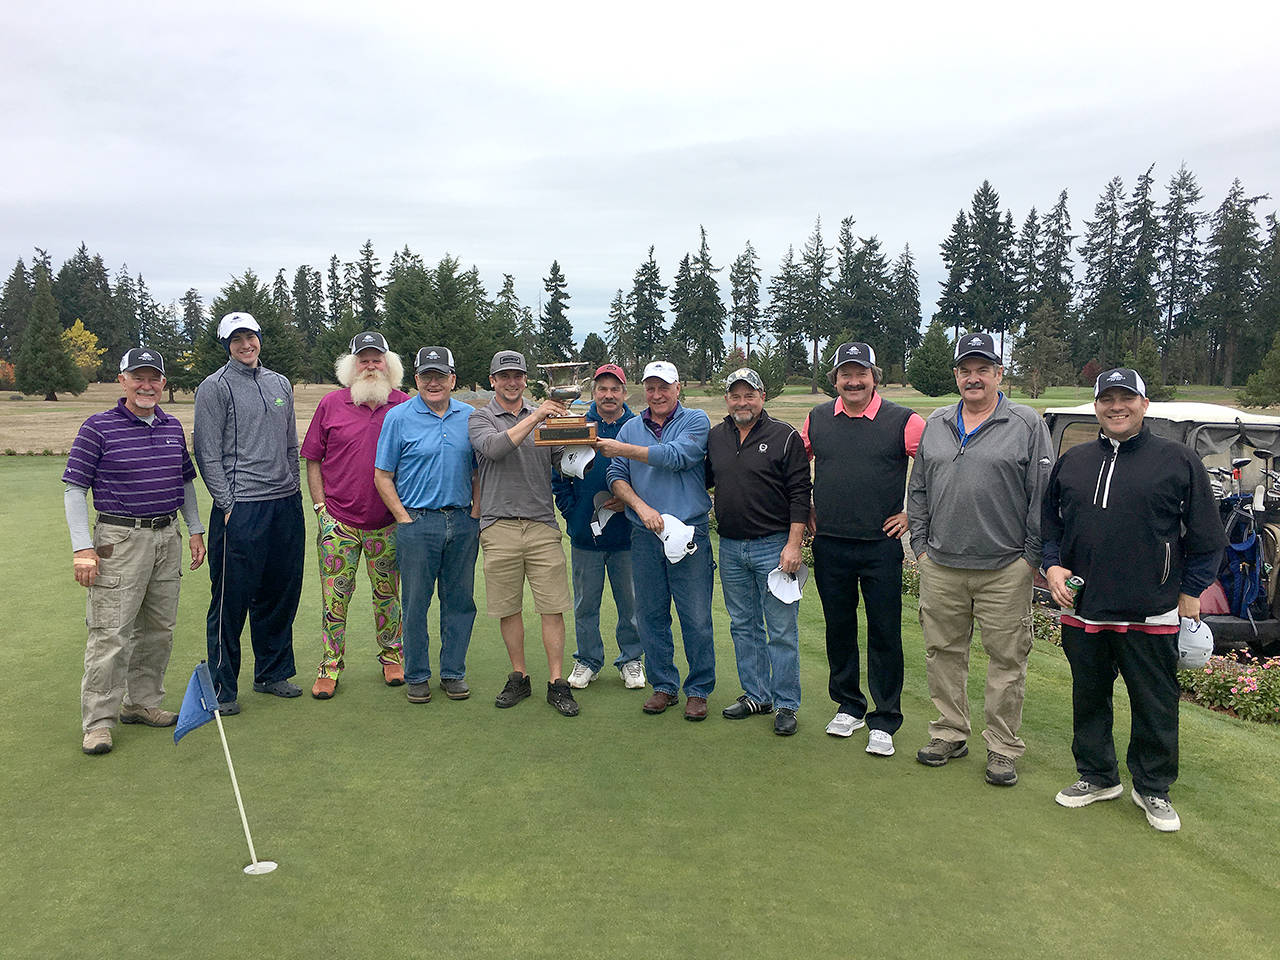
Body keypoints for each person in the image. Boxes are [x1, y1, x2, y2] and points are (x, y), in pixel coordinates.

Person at [1043, 368, 1225, 832]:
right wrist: (1053, 566)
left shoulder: (1178, 460)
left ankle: (1153, 788)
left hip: (1153, 607)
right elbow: (1051, 528)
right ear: (1097, 406)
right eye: (1107, 399)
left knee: (1155, 703)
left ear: (1144, 405)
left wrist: (1191, 590)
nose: (1116, 407)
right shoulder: (1075, 460)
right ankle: (1098, 776)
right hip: (1084, 607)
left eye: (1126, 398)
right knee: (1089, 698)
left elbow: (1207, 537)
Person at [907, 332, 1054, 786]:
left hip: (1005, 568)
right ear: (956, 376)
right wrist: (921, 546)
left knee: (1007, 660)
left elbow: (1042, 498)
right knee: (943, 652)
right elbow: (919, 490)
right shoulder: (936, 422)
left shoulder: (1026, 423)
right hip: (942, 564)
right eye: (966, 370)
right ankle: (950, 732)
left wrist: (1031, 559)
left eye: (982, 369)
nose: (974, 378)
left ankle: (1003, 747)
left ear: (998, 374)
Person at [63, 348, 207, 755]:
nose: (147, 386)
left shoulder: (171, 426)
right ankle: (98, 722)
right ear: (122, 381)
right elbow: (75, 489)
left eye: (154, 378)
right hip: (119, 541)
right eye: (138, 378)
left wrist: (195, 529)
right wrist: (82, 549)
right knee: (111, 633)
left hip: (167, 536)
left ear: (163, 382)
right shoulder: (98, 427)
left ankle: (142, 703)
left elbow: (184, 485)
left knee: (158, 629)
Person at [802, 342, 925, 756]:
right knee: (839, 628)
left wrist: (912, 515)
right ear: (834, 380)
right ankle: (849, 705)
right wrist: (806, 507)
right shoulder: (817, 418)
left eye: (861, 374)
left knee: (885, 631)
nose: (853, 381)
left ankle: (885, 717)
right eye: (844, 374)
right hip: (831, 542)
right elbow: (796, 468)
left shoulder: (904, 421)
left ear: (875, 377)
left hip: (880, 545)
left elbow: (935, 470)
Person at [194, 312, 305, 714]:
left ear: (260, 339)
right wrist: (226, 503)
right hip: (241, 507)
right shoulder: (214, 387)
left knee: (279, 592)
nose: (246, 345)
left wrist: (293, 485)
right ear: (226, 344)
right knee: (230, 599)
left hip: (284, 503)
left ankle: (272, 673)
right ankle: (224, 688)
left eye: (251, 337)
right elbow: (206, 452)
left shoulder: (280, 384)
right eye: (236, 339)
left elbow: (291, 443)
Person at [602, 360, 715, 720]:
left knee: (695, 616)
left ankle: (698, 690)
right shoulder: (632, 427)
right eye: (650, 387)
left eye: (664, 387)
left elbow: (678, 457)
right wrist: (641, 507)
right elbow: (616, 478)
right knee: (650, 614)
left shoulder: (695, 421)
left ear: (678, 388)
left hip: (689, 532)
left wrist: (623, 449)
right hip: (645, 533)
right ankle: (664, 685)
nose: (657, 394)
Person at [468, 350, 579, 717]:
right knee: (508, 607)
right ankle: (519, 675)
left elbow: (563, 460)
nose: (512, 382)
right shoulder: (480, 418)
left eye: (518, 376)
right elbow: (495, 449)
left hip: (541, 524)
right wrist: (537, 417)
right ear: (493, 381)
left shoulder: (544, 413)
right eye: (505, 376)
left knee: (552, 607)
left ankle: (557, 682)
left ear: (526, 380)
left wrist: (575, 433)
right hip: (498, 525)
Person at [301, 332, 409, 699]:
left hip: (388, 523)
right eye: (363, 359)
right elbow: (313, 458)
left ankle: (392, 657)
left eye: (377, 359)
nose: (370, 365)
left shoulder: (404, 404)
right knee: (335, 599)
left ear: (388, 363)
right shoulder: (331, 404)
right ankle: (329, 666)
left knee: (388, 596)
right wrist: (320, 508)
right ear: (351, 365)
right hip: (339, 523)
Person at [706, 368, 811, 736]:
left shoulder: (784, 436)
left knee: (781, 630)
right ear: (727, 400)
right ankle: (756, 694)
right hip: (731, 547)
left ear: (762, 397)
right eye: (735, 396)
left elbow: (801, 492)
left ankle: (785, 704)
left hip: (774, 547)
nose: (742, 402)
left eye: (749, 395)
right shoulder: (716, 436)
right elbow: (704, 481)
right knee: (743, 626)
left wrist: (793, 544)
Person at [374, 346, 479, 704]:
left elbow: (479, 472)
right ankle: (417, 675)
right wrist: (403, 517)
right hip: (418, 523)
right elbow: (382, 476)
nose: (433, 383)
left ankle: (453, 673)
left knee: (460, 602)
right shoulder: (399, 417)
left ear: (453, 379)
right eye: (425, 376)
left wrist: (476, 513)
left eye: (440, 376)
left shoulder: (469, 416)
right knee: (416, 602)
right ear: (415, 379)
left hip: (463, 522)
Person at [552, 363, 646, 691]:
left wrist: (632, 500)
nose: (609, 395)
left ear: (624, 392)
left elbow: (649, 474)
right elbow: (559, 475)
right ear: (594, 392)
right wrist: (572, 511)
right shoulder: (576, 424)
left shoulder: (638, 427)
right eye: (602, 389)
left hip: (629, 534)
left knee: (631, 603)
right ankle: (588, 660)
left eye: (615, 389)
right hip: (585, 533)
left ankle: (631, 659)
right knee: (585, 603)